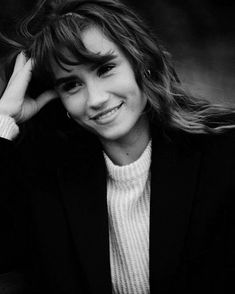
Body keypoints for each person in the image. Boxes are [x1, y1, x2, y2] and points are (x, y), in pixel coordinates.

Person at [0, 0, 234, 293]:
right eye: (71, 85)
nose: (95, 98)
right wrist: (4, 118)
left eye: (105, 68)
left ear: (142, 62)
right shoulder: (46, 182)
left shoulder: (223, 154)